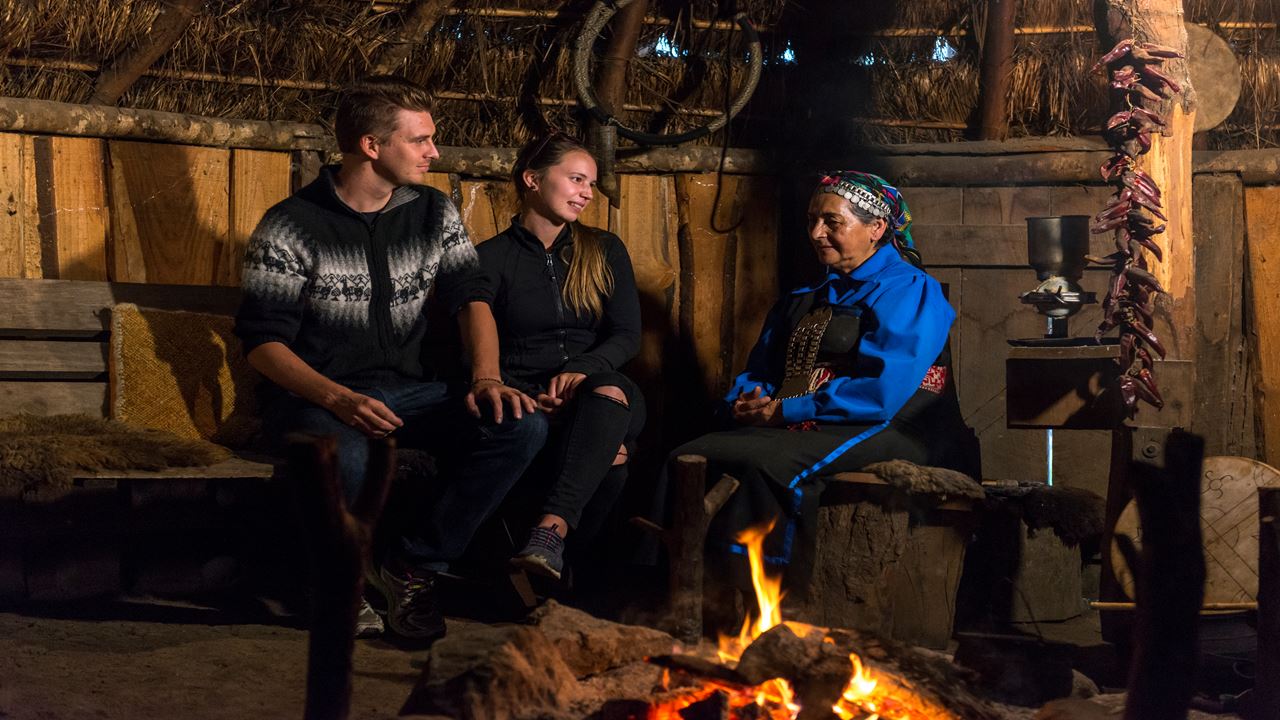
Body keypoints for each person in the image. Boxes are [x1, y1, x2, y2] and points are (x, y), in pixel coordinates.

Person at [234, 76, 547, 642]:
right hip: (315, 398)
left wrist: (487, 377)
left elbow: (469, 297)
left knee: (519, 426)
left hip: (411, 390)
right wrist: (338, 397)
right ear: (371, 146)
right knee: (343, 457)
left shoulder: (432, 211)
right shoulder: (289, 226)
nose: (435, 152)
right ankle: (338, 581)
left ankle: (412, 566)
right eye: (420, 140)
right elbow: (262, 344)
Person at [662, 170, 979, 591]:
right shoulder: (806, 296)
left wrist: (786, 411)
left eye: (832, 222)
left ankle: (775, 595)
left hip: (898, 425)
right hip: (805, 419)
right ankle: (678, 585)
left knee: (767, 465)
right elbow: (762, 370)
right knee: (690, 454)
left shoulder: (909, 290)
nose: (815, 232)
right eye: (812, 219)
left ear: (876, 229)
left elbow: (882, 392)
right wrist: (746, 400)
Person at [473, 132, 644, 581]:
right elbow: (479, 348)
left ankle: (549, 533)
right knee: (610, 464)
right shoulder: (489, 259)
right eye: (575, 179)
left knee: (608, 395)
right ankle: (563, 583)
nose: (587, 192)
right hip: (530, 397)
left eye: (590, 183)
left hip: (602, 389)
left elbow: (626, 335)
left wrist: (583, 368)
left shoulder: (604, 250)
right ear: (532, 179)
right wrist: (529, 393)